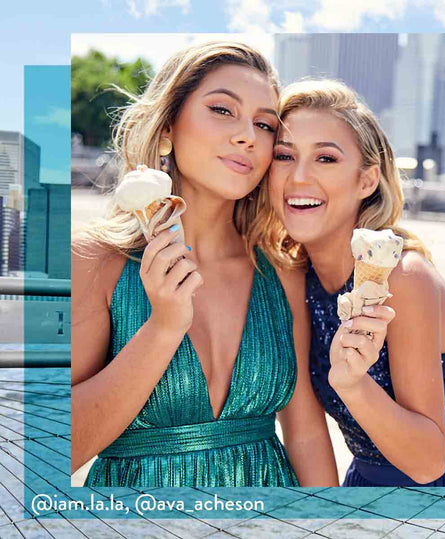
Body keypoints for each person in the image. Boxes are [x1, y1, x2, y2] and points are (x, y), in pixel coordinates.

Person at [71, 41, 338, 487]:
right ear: (167, 127)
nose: (247, 136)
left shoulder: (283, 271)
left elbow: (307, 434)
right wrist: (163, 327)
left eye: (264, 125)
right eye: (221, 110)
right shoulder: (97, 261)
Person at [255, 79, 445, 487]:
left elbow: (428, 462)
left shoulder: (404, 278)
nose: (299, 177)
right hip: (367, 491)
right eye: (285, 155)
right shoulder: (292, 275)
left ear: (367, 181)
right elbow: (307, 431)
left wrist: (352, 384)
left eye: (326, 159)